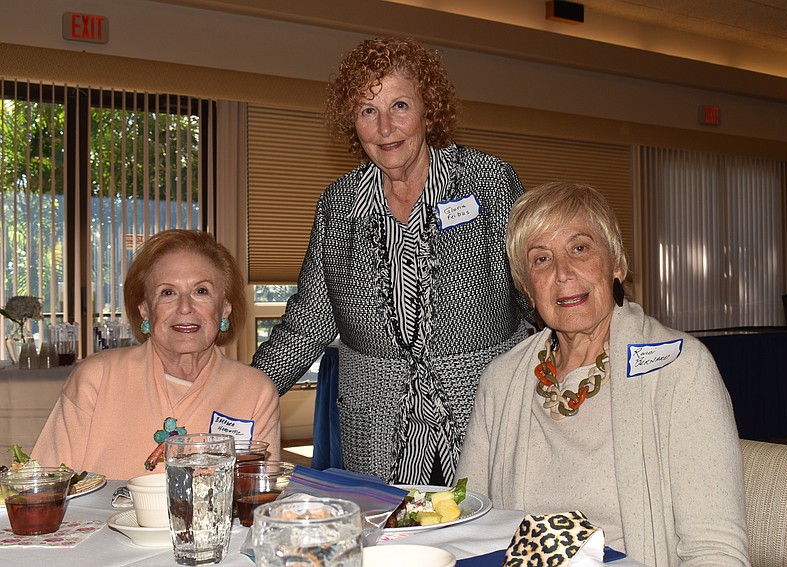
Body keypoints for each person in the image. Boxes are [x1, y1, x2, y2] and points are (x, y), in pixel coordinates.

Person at [252, 37, 529, 485]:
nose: (385, 128)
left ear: (428, 110)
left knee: (487, 543)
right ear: (352, 123)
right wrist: (237, 399)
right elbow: (307, 325)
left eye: (400, 105)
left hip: (486, 410)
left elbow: (535, 292)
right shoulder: (339, 206)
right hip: (377, 425)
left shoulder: (489, 183)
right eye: (367, 111)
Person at [456, 183, 750, 566]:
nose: (563, 273)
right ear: (528, 289)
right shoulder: (501, 380)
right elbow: (467, 523)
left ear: (616, 264)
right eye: (541, 259)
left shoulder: (680, 370)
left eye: (580, 248)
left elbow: (716, 553)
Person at [33, 230, 281, 479]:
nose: (185, 308)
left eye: (201, 291)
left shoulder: (255, 391)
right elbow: (45, 483)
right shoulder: (96, 377)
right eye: (168, 293)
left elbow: (256, 499)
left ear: (225, 308)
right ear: (145, 310)